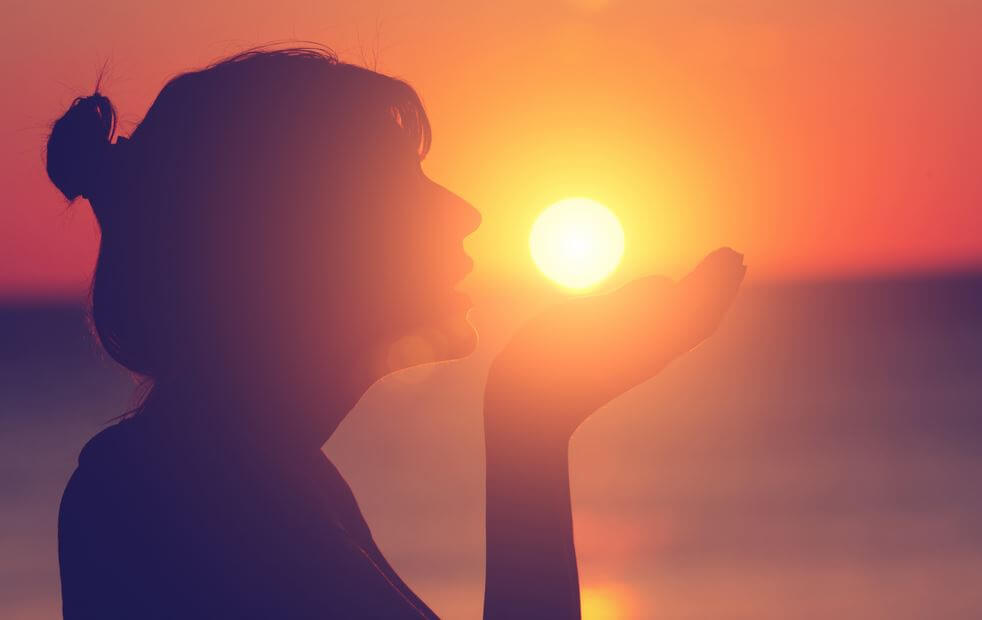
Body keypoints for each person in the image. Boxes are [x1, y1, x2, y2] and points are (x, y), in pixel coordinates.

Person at [46, 48, 746, 619]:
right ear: (303, 239)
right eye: (405, 183)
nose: (463, 213)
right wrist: (529, 420)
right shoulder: (161, 505)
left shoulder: (282, 478)